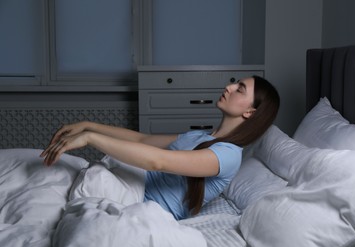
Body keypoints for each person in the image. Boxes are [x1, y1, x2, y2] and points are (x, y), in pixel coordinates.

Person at [40, 75, 280, 220]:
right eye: (234, 84)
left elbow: (159, 161)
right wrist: (87, 125)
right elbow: (143, 140)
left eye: (240, 89)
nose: (229, 87)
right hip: (134, 184)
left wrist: (90, 138)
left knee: (66, 180)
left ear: (250, 112)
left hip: (142, 201)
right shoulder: (201, 135)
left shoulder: (228, 156)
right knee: (46, 170)